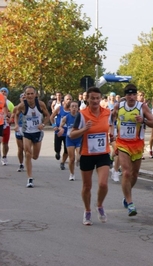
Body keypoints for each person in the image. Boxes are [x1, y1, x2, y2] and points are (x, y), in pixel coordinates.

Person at [70, 86, 113, 226]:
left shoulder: (107, 113)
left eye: (97, 98)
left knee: (103, 183)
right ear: (87, 99)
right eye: (92, 98)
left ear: (101, 99)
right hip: (87, 154)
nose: (95, 101)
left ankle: (99, 205)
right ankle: (87, 210)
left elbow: (111, 127)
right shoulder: (81, 114)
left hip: (103, 153)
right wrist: (84, 129)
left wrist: (113, 137)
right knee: (87, 186)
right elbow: (72, 134)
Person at [112, 84, 153, 216]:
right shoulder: (119, 106)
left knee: (134, 174)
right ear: (125, 95)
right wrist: (111, 134)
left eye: (133, 94)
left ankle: (127, 195)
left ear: (136, 95)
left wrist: (143, 121)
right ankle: (130, 204)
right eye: (129, 94)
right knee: (126, 172)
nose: (131, 97)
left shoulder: (142, 107)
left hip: (137, 144)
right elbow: (111, 120)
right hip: (122, 144)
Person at [14, 86, 50, 187]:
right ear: (25, 95)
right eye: (28, 94)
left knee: (35, 156)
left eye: (31, 93)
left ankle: (34, 148)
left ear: (35, 94)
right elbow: (16, 114)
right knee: (28, 153)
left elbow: (48, 116)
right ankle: (30, 178)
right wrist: (16, 125)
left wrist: (42, 125)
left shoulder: (41, 104)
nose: (30, 96)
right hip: (27, 132)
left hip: (37, 132)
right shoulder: (22, 105)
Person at [57, 101, 82, 181]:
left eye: (76, 106)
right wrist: (61, 130)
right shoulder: (66, 117)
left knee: (79, 157)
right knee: (71, 159)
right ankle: (72, 174)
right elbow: (60, 126)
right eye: (72, 106)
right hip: (70, 139)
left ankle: (79, 161)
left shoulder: (81, 117)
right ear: (70, 108)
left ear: (78, 108)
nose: (74, 108)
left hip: (79, 139)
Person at [50, 94, 72, 170]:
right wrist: (54, 126)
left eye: (70, 99)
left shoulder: (73, 110)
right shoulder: (60, 109)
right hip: (58, 132)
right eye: (67, 99)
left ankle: (62, 162)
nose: (69, 101)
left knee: (67, 150)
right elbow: (51, 117)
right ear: (64, 101)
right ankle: (57, 152)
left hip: (68, 133)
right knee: (57, 147)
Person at [11, 93, 26, 172]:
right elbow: (13, 117)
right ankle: (21, 164)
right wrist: (14, 124)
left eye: (25, 97)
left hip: (27, 129)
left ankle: (28, 162)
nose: (24, 98)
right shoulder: (16, 108)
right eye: (22, 97)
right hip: (19, 128)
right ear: (20, 99)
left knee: (26, 148)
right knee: (20, 148)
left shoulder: (30, 107)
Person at [0, 87, 14, 165]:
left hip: (6, 125)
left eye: (5, 91)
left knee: (5, 143)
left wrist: (9, 115)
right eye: (1, 91)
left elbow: (14, 113)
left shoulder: (10, 103)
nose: (3, 92)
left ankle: (4, 156)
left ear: (7, 93)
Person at [0, 88, 8, 164]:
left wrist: (5, 115)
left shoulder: (3, 98)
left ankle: (4, 156)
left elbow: (5, 107)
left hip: (2, 123)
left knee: (2, 141)